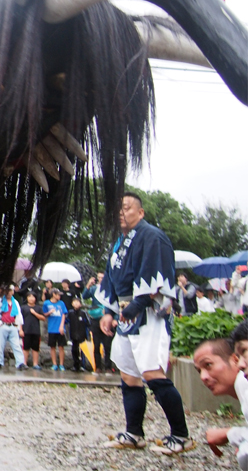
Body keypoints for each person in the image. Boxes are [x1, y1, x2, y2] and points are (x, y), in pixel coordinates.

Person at [97, 192, 193, 455]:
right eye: (119, 208)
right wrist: (108, 310)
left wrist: (137, 306)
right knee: (129, 375)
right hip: (126, 314)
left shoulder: (153, 236)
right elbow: (113, 280)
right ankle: (134, 433)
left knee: (152, 372)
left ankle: (181, 435)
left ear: (140, 213)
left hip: (149, 313)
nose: (122, 212)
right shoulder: (119, 243)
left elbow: (157, 274)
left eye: (127, 208)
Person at [194, 336, 248, 469]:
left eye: (208, 365)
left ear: (235, 360)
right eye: (199, 371)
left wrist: (230, 434)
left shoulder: (243, 382)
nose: (203, 377)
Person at [0, 284, 27, 370]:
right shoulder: (0, 301)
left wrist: (18, 326)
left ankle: (20, 363)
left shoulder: (15, 302)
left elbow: (18, 316)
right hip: (3, 325)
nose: (10, 293)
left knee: (16, 345)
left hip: (12, 325)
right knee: (0, 345)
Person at [83, 272, 113, 373]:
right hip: (96, 318)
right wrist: (88, 285)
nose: (100, 279)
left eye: (102, 278)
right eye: (99, 278)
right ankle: (98, 367)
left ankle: (108, 367)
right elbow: (84, 296)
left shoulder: (110, 288)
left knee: (107, 345)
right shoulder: (94, 289)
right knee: (96, 344)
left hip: (106, 317)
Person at [43, 288, 67, 371]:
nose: (59, 296)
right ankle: (54, 364)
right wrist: (49, 312)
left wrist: (62, 326)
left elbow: (64, 314)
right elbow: (44, 314)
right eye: (58, 294)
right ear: (54, 294)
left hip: (59, 328)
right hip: (51, 328)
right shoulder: (46, 303)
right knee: (52, 347)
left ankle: (61, 364)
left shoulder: (61, 303)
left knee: (61, 346)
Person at [21, 292, 45, 369]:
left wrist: (35, 313)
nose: (31, 298)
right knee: (26, 347)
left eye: (33, 297)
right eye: (29, 296)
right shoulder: (23, 308)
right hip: (26, 330)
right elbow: (20, 320)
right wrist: (20, 330)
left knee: (35, 348)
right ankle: (24, 363)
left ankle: (35, 364)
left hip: (36, 330)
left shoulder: (38, 308)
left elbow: (43, 318)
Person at [67, 297, 91, 372]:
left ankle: (82, 366)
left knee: (82, 351)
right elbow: (66, 321)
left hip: (82, 335)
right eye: (74, 302)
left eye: (77, 302)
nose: (76, 303)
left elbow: (88, 323)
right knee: (74, 350)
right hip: (73, 334)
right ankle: (75, 365)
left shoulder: (83, 313)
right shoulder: (70, 313)